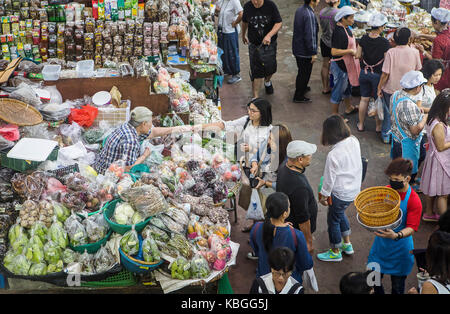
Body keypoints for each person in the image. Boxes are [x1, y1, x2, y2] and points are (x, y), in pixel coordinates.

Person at [195, 98, 273, 232]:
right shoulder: (247, 120)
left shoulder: (269, 131)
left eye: (253, 110)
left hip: (258, 168)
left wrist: (253, 149)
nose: (250, 112)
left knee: (256, 194)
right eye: (249, 109)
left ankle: (260, 225)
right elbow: (227, 125)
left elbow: (270, 154)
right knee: (248, 194)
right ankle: (255, 221)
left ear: (263, 112)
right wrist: (202, 127)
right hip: (243, 163)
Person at [367, 158, 423, 295]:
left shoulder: (414, 200)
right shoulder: (386, 190)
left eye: (397, 180)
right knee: (371, 281)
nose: (393, 183)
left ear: (408, 178)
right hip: (380, 247)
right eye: (391, 179)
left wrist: (396, 235)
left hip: (400, 249)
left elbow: (412, 227)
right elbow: (376, 208)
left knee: (397, 288)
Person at [317, 115, 362, 262]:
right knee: (339, 213)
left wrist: (323, 196)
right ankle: (347, 244)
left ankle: (335, 250)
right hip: (354, 190)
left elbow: (329, 180)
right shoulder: (354, 140)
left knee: (333, 220)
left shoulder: (333, 154)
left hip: (340, 193)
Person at [93, 107, 191, 174]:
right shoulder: (130, 141)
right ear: (143, 123)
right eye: (150, 122)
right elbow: (127, 169)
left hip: (101, 163)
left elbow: (153, 132)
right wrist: (144, 156)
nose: (151, 125)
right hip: (106, 173)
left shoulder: (129, 126)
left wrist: (174, 129)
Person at [249, 192, 314, 287]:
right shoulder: (296, 235)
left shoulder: (256, 228)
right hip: (288, 283)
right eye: (289, 206)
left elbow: (257, 251)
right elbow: (306, 264)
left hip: (264, 280)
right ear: (284, 214)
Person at [378, 27, 422, 144]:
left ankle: (386, 136)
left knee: (389, 113)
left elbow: (385, 74)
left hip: (391, 89)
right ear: (409, 39)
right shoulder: (415, 52)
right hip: (408, 90)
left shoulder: (390, 52)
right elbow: (418, 71)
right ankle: (402, 136)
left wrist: (379, 87)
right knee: (404, 113)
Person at [276, 140, 318, 254]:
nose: (311, 157)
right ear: (300, 159)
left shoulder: (285, 165)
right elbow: (303, 218)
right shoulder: (299, 187)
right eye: (309, 155)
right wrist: (308, 241)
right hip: (296, 229)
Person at [390, 71, 428, 189]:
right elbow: (415, 130)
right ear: (417, 87)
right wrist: (424, 118)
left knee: (400, 165)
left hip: (397, 138)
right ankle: (409, 186)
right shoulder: (409, 105)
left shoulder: (396, 94)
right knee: (407, 169)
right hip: (406, 144)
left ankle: (407, 182)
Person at [355, 12, 390, 133]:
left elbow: (357, 55)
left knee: (364, 99)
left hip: (364, 73)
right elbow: (387, 60)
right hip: (377, 75)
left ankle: (360, 124)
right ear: (380, 27)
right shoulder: (384, 42)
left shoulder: (363, 39)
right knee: (377, 100)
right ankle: (378, 127)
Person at [241, 0, 283, 99]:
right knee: (256, 71)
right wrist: (243, 35)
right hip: (254, 45)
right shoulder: (247, 6)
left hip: (269, 45)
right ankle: (255, 98)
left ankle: (267, 81)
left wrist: (269, 35)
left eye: (257, 0)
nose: (255, 2)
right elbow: (244, 22)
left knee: (271, 68)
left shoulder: (271, 5)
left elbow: (278, 23)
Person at [420, 89, 450, 221]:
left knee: (432, 187)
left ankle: (429, 213)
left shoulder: (432, 118)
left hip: (433, 159)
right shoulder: (438, 125)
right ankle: (445, 223)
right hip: (440, 162)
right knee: (443, 194)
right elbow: (441, 146)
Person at [330, 6, 360, 119]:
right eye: (351, 18)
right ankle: (335, 115)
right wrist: (350, 51)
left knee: (347, 88)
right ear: (343, 19)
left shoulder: (346, 28)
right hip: (340, 66)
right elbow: (334, 51)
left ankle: (348, 107)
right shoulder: (339, 32)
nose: (353, 20)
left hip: (346, 65)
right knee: (338, 89)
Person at [292, 0, 320, 103]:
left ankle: (302, 88)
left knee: (302, 71)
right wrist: (313, 52)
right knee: (304, 73)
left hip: (298, 48)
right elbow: (310, 35)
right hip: (305, 51)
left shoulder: (300, 10)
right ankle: (299, 95)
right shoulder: (309, 15)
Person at [215, 0, 244, 84]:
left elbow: (241, 14)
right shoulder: (222, 1)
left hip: (230, 31)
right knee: (224, 52)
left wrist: (235, 23)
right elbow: (218, 13)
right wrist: (215, 10)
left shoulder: (235, 1)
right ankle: (228, 70)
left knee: (232, 52)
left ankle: (236, 74)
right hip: (222, 30)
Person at [319, 0, 340, 95]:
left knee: (325, 65)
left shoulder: (322, 11)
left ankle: (325, 88)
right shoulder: (338, 13)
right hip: (335, 43)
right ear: (338, 1)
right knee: (338, 66)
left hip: (324, 40)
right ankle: (337, 88)